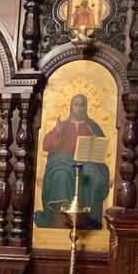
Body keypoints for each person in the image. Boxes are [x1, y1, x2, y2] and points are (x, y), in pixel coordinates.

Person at [33, 93, 110, 229]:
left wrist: (94, 142)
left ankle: (88, 219)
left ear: (86, 107)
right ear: (71, 107)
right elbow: (46, 145)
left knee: (94, 178)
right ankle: (59, 218)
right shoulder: (63, 125)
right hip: (62, 162)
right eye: (76, 105)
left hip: (87, 164)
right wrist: (57, 132)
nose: (79, 108)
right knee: (61, 175)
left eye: (82, 105)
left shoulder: (92, 126)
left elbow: (101, 147)